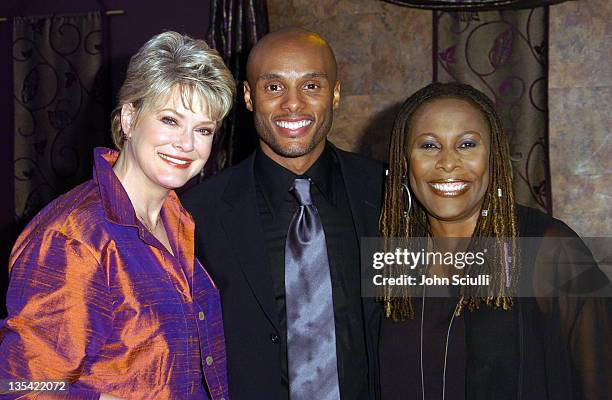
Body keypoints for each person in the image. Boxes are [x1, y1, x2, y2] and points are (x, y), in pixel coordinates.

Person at [0, 31, 235, 399]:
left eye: (203, 129)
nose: (187, 144)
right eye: (171, 120)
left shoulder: (176, 222)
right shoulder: (73, 237)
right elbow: (21, 387)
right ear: (129, 117)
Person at [182, 27, 384, 400]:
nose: (293, 104)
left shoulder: (386, 193)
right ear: (247, 96)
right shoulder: (197, 215)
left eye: (312, 86)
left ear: (335, 94)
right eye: (274, 87)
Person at [378, 82, 611, 400]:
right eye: (429, 146)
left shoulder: (548, 249)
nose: (448, 162)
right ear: (404, 162)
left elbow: (600, 381)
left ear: (495, 157)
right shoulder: (390, 255)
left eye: (467, 144)